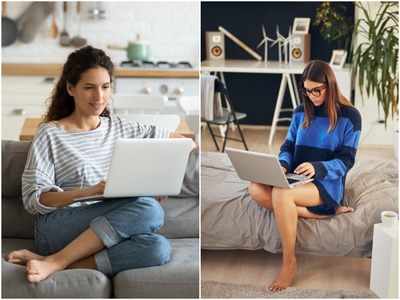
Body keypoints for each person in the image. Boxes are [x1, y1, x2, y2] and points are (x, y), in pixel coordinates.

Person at [6, 46, 185, 282]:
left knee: (157, 248)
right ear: (71, 88)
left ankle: (56, 263)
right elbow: (34, 200)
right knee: (149, 210)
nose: (99, 97)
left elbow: (181, 142)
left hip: (110, 224)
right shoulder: (50, 134)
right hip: (58, 227)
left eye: (105, 87)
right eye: (89, 87)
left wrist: (161, 179)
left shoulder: (120, 127)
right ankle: (55, 259)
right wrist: (89, 192)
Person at [248, 60, 361, 292]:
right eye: (307, 90)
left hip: (325, 183)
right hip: (296, 179)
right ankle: (317, 214)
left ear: (329, 86)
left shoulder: (350, 116)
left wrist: (317, 168)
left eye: (316, 90)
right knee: (255, 189)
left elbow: (347, 160)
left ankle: (289, 262)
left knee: (280, 194)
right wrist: (282, 165)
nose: (311, 96)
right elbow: (288, 145)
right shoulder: (301, 111)